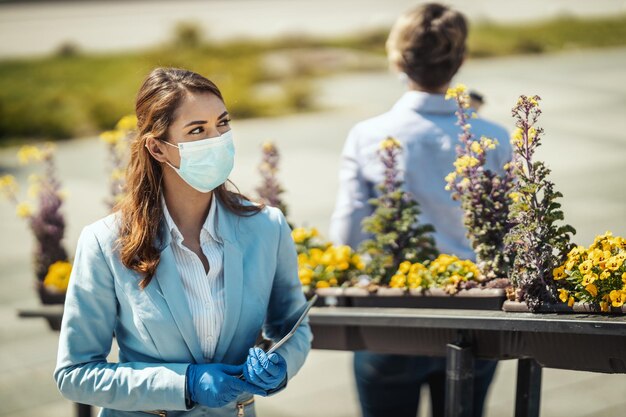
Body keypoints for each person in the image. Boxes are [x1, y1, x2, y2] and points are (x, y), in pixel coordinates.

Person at [54, 67, 312, 417]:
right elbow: (75, 375)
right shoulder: (105, 242)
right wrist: (184, 385)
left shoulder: (267, 227)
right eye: (197, 130)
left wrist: (280, 366)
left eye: (222, 123)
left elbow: (293, 327)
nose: (218, 138)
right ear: (158, 148)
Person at [329, 3, 512, 417]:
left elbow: (348, 229)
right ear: (460, 60)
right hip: (474, 315)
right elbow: (512, 228)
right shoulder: (494, 137)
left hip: (394, 314)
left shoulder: (368, 135)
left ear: (397, 59)